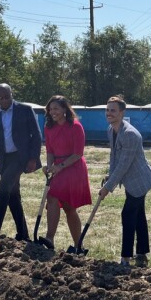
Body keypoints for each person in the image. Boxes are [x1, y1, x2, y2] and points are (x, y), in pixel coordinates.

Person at [98, 96, 151, 267]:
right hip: (131, 180)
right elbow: (115, 157)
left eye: (113, 110)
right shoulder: (111, 130)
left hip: (139, 181)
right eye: (107, 110)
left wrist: (108, 188)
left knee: (128, 214)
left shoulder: (129, 134)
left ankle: (125, 257)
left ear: (122, 113)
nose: (109, 113)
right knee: (138, 215)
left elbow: (124, 165)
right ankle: (142, 253)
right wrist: (110, 175)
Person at [0, 83, 42, 240]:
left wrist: (33, 158)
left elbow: (36, 135)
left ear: (11, 93)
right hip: (5, 158)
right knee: (13, 196)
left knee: (3, 188)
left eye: (7, 96)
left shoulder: (25, 110)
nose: (4, 100)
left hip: (20, 157)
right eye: (0, 98)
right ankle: (23, 234)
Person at [42, 95, 92, 249]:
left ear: (65, 109)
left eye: (56, 108)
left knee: (69, 207)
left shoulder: (76, 127)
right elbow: (50, 151)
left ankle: (78, 245)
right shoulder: (48, 128)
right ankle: (49, 239)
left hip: (73, 168)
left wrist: (60, 166)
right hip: (57, 168)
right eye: (50, 109)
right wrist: (49, 166)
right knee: (52, 199)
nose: (53, 112)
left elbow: (78, 153)